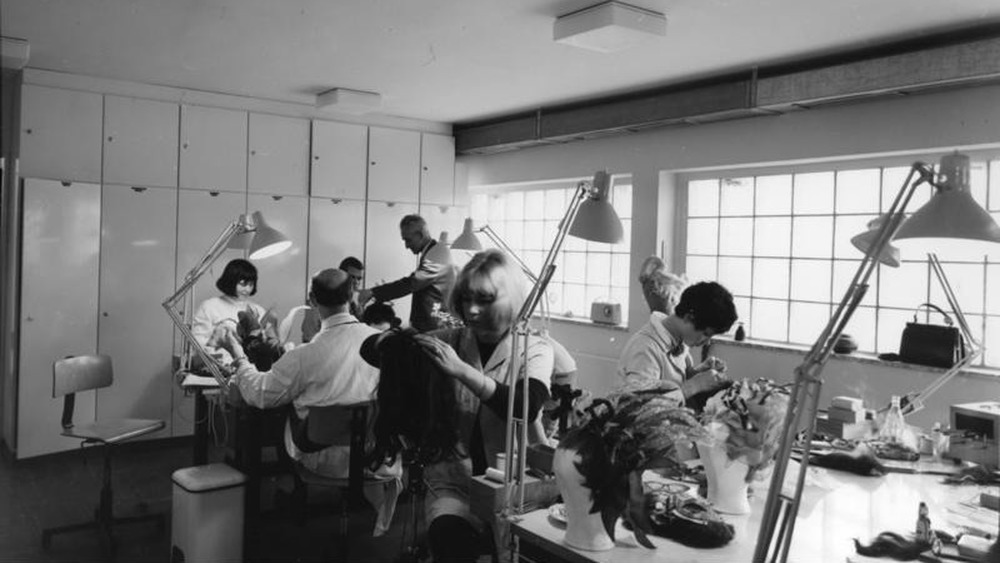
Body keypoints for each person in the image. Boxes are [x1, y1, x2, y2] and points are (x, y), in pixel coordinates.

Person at [370, 249, 554, 563]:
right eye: (466, 298)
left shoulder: (534, 348)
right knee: (450, 543)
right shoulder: (450, 340)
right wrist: (390, 344)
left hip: (517, 488)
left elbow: (527, 406)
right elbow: (374, 351)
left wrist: (460, 370)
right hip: (454, 484)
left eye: (484, 300)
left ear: (510, 299)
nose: (471, 310)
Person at [219, 268, 400, 535]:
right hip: (375, 455)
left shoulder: (305, 355)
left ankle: (286, 489)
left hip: (321, 459)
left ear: (312, 300)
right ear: (351, 297)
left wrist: (238, 356)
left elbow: (260, 394)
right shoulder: (383, 343)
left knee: (286, 409)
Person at [617, 281, 738, 408]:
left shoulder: (679, 338)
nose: (707, 341)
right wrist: (695, 385)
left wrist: (697, 373)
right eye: (706, 333)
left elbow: (673, 381)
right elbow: (636, 406)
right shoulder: (645, 348)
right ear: (688, 317)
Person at [359, 214, 456, 332]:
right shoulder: (433, 252)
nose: (406, 245)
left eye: (408, 240)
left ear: (420, 235)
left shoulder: (438, 253)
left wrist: (373, 292)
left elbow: (412, 283)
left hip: (436, 328)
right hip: (431, 326)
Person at [190, 258, 272, 366]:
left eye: (251, 285)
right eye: (243, 284)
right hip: (220, 369)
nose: (247, 289)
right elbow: (197, 343)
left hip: (253, 371)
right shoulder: (209, 306)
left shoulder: (258, 310)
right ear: (231, 281)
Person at [301, 256, 366, 342]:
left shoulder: (356, 304)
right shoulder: (320, 298)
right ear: (341, 274)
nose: (356, 282)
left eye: (359, 278)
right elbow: (308, 334)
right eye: (352, 277)